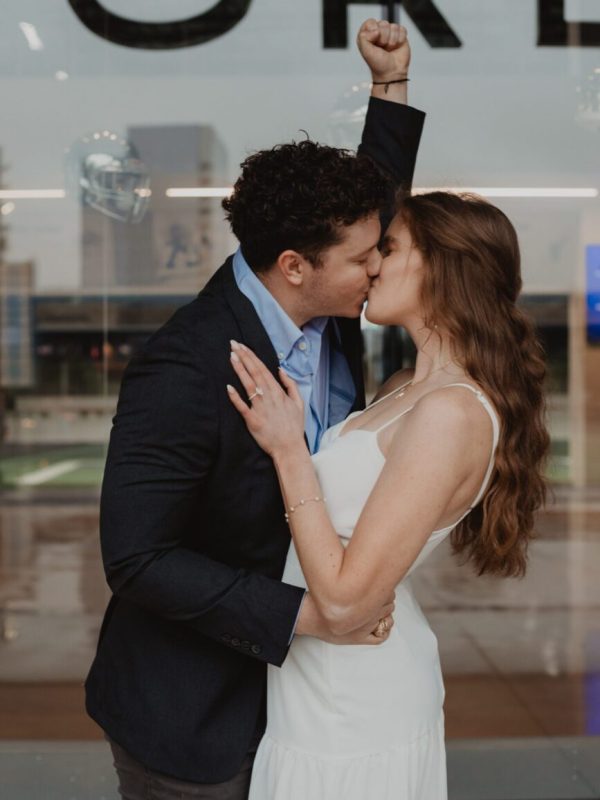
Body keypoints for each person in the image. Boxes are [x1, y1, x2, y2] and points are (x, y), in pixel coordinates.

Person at [85, 18, 426, 800]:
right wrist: (312, 615)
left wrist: (391, 86)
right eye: (366, 258)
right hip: (194, 716)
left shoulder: (327, 298)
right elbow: (136, 559)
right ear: (296, 266)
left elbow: (370, 205)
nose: (382, 266)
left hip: (308, 706)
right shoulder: (182, 366)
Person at [227, 190, 550, 799]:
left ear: (441, 267)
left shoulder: (452, 413)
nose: (372, 264)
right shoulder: (407, 387)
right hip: (317, 679)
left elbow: (348, 603)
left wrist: (289, 451)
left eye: (390, 247)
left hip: (357, 697)